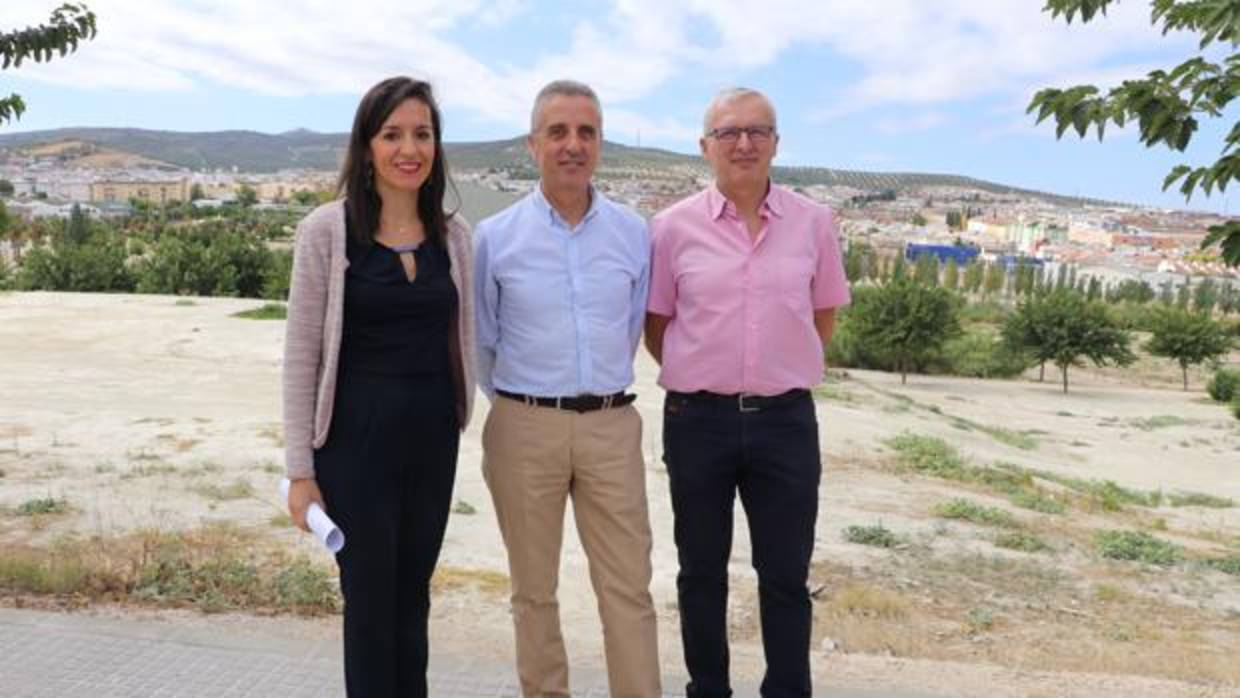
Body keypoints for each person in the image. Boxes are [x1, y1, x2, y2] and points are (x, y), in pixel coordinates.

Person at [644, 87, 851, 698]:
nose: (744, 143)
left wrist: (770, 369)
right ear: (704, 146)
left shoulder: (814, 223)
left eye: (758, 131)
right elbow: (658, 326)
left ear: (777, 144)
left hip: (785, 422)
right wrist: (710, 370)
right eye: (729, 132)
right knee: (700, 572)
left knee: (785, 574)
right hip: (696, 421)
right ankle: (708, 689)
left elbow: (822, 318)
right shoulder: (669, 229)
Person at [282, 76, 475, 698]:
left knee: (412, 598)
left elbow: (468, 336)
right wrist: (299, 469)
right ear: (367, 147)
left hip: (432, 439)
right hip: (354, 443)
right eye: (392, 134)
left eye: (421, 134)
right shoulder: (327, 231)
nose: (408, 148)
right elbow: (300, 357)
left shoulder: (456, 238)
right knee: (368, 604)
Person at [474, 79, 661, 698]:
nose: (572, 145)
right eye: (558, 132)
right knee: (533, 591)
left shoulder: (635, 234)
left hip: (612, 425)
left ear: (601, 143)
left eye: (586, 132)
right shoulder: (494, 238)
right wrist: (522, 404)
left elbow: (632, 324)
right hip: (524, 424)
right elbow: (482, 339)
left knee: (628, 589)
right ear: (533, 145)